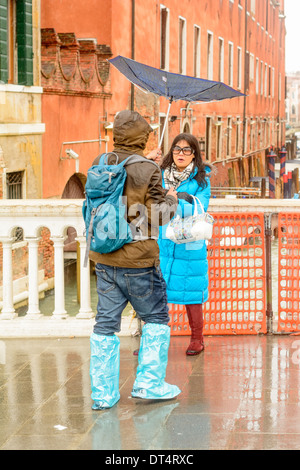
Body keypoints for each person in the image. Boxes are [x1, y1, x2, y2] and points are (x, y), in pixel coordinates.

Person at [88, 110, 181, 410]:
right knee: (155, 318)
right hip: (138, 260)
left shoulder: (100, 163)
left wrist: (146, 162)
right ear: (142, 138)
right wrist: (172, 198)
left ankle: (103, 394)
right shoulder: (148, 169)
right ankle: (149, 383)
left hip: (104, 258)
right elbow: (158, 216)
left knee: (105, 323)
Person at [158, 133, 212, 356]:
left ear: (194, 154)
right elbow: (149, 203)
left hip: (190, 244)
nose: (181, 154)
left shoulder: (201, 181)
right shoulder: (158, 175)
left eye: (187, 150)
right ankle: (153, 340)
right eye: (177, 149)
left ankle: (197, 339)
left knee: (192, 292)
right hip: (163, 240)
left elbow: (201, 208)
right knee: (156, 293)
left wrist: (174, 198)